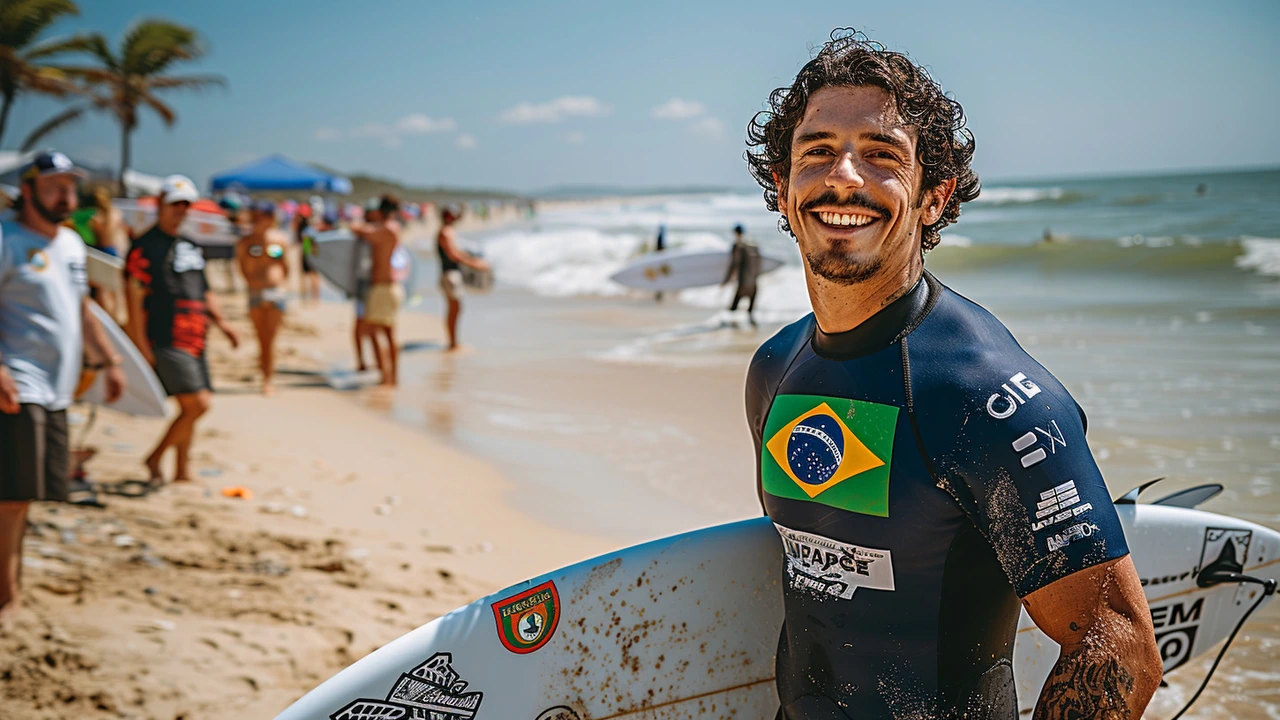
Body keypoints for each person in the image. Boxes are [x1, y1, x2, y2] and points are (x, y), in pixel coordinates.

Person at [742, 30, 1160, 719]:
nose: (843, 175)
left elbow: (1117, 649)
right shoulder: (775, 371)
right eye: (818, 151)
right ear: (784, 191)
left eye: (880, 156)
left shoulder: (987, 400)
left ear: (933, 198)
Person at [0, 151, 126, 627]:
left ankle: (13, 582)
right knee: (10, 496)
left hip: (58, 387)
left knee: (28, 495)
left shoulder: (72, 244)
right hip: (19, 382)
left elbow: (81, 308)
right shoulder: (6, 239)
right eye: (54, 186)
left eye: (70, 187)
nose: (65, 196)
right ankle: (8, 597)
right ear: (28, 189)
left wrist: (109, 361)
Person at [125, 175, 239, 482]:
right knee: (197, 404)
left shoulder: (190, 245)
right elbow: (133, 298)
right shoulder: (144, 246)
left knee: (190, 405)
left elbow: (204, 290)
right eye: (175, 204)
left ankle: (181, 469)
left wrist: (223, 323)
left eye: (185, 205)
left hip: (196, 335)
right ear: (161, 205)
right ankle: (155, 457)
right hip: (165, 334)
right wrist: (139, 343)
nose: (180, 210)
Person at [236, 200, 289, 396]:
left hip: (275, 291)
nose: (258, 220)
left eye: (262, 216)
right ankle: (264, 376)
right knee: (261, 338)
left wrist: (282, 285)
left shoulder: (279, 239)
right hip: (256, 292)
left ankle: (268, 379)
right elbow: (241, 266)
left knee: (271, 338)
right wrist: (252, 283)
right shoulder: (246, 241)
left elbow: (285, 266)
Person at [351, 195, 403, 385]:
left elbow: (360, 231)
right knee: (387, 334)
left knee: (375, 332)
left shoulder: (387, 229)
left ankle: (387, 377)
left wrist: (357, 222)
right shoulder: (393, 228)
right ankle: (391, 376)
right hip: (389, 287)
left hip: (383, 287)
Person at [436, 205, 488, 351]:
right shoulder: (445, 232)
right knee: (454, 308)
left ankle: (453, 341)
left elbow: (457, 252)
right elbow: (454, 254)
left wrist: (473, 260)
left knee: (456, 308)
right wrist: (474, 263)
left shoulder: (448, 230)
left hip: (451, 274)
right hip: (449, 275)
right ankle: (452, 342)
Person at [722, 224, 761, 327]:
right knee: (750, 311)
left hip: (743, 282)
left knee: (733, 309)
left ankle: (730, 329)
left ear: (735, 233)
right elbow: (759, 263)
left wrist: (726, 280)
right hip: (753, 283)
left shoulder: (738, 246)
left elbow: (734, 264)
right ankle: (753, 330)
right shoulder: (753, 245)